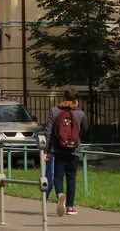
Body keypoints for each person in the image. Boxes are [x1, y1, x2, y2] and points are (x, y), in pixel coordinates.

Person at [42, 87, 87, 217]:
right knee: (71, 177)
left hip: (57, 149)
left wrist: (47, 150)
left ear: (64, 97)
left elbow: (48, 131)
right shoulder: (80, 113)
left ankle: (60, 194)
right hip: (74, 150)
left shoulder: (54, 111)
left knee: (58, 175)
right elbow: (85, 128)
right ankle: (70, 207)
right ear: (76, 99)